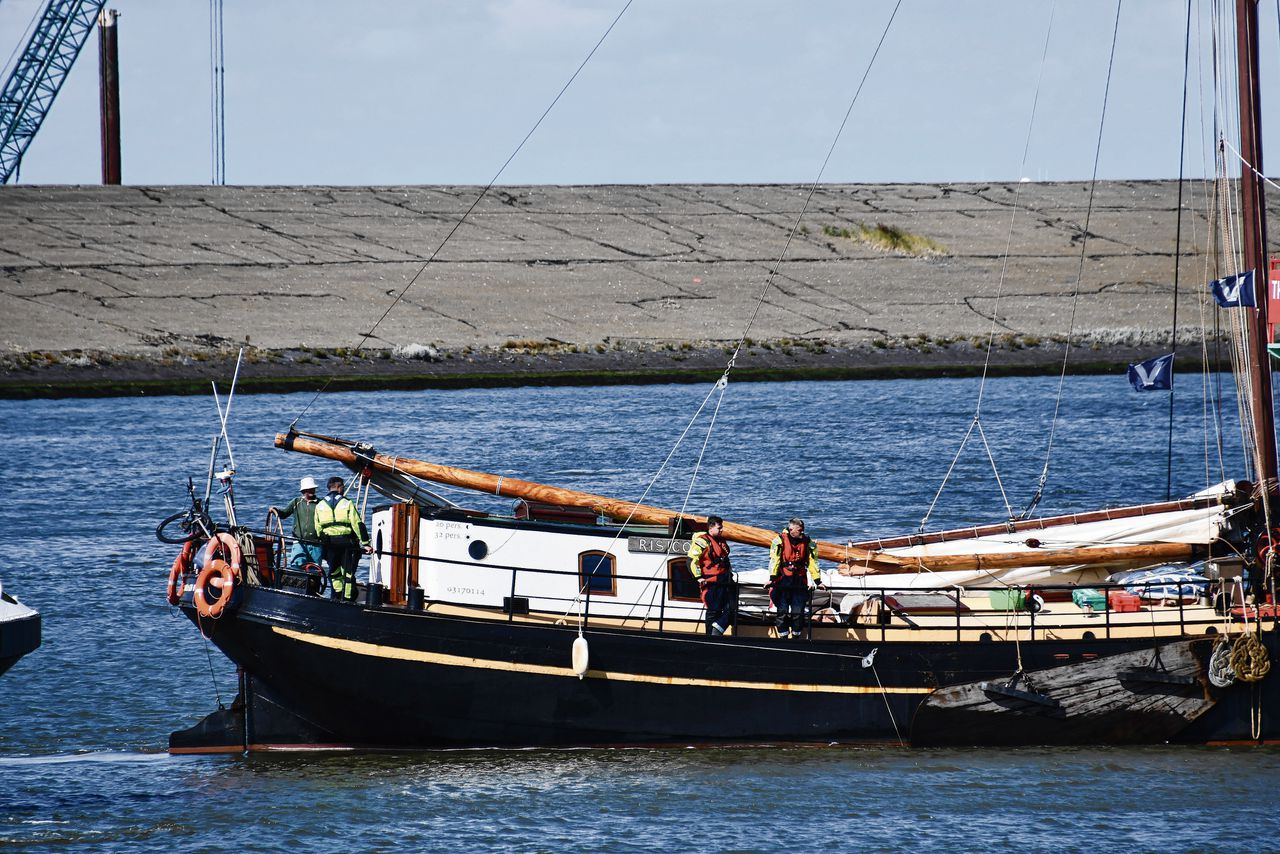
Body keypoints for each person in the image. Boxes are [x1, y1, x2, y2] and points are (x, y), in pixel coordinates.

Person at [314, 475, 371, 602]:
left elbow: (317, 528)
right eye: (343, 487)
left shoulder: (320, 505)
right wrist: (366, 542)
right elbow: (357, 524)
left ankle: (336, 596)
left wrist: (323, 541)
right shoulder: (347, 503)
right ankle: (347, 598)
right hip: (346, 544)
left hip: (329, 544)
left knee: (334, 572)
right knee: (348, 573)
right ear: (339, 488)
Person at [767, 517, 824, 639]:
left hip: (799, 581)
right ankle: (783, 637)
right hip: (782, 581)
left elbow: (813, 562)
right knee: (782, 612)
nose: (802, 532)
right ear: (791, 529)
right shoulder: (779, 541)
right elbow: (774, 560)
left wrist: (818, 580)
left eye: (803, 530)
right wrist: (771, 579)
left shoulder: (808, 542)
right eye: (800, 530)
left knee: (798, 612)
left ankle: (796, 637)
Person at [687, 515, 735, 635]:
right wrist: (698, 577)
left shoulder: (721, 541)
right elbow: (692, 560)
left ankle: (717, 630)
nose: (722, 530)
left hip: (725, 580)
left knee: (732, 607)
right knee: (713, 611)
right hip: (712, 581)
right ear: (711, 527)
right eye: (719, 528)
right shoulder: (702, 541)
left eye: (722, 527)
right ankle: (710, 637)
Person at [271, 477, 323, 569]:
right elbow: (284, 514)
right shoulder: (296, 502)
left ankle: (315, 583)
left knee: (316, 570)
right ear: (303, 491)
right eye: (308, 489)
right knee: (297, 566)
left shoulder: (321, 503)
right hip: (299, 542)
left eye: (312, 489)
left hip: (316, 543)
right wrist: (276, 510)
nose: (311, 491)